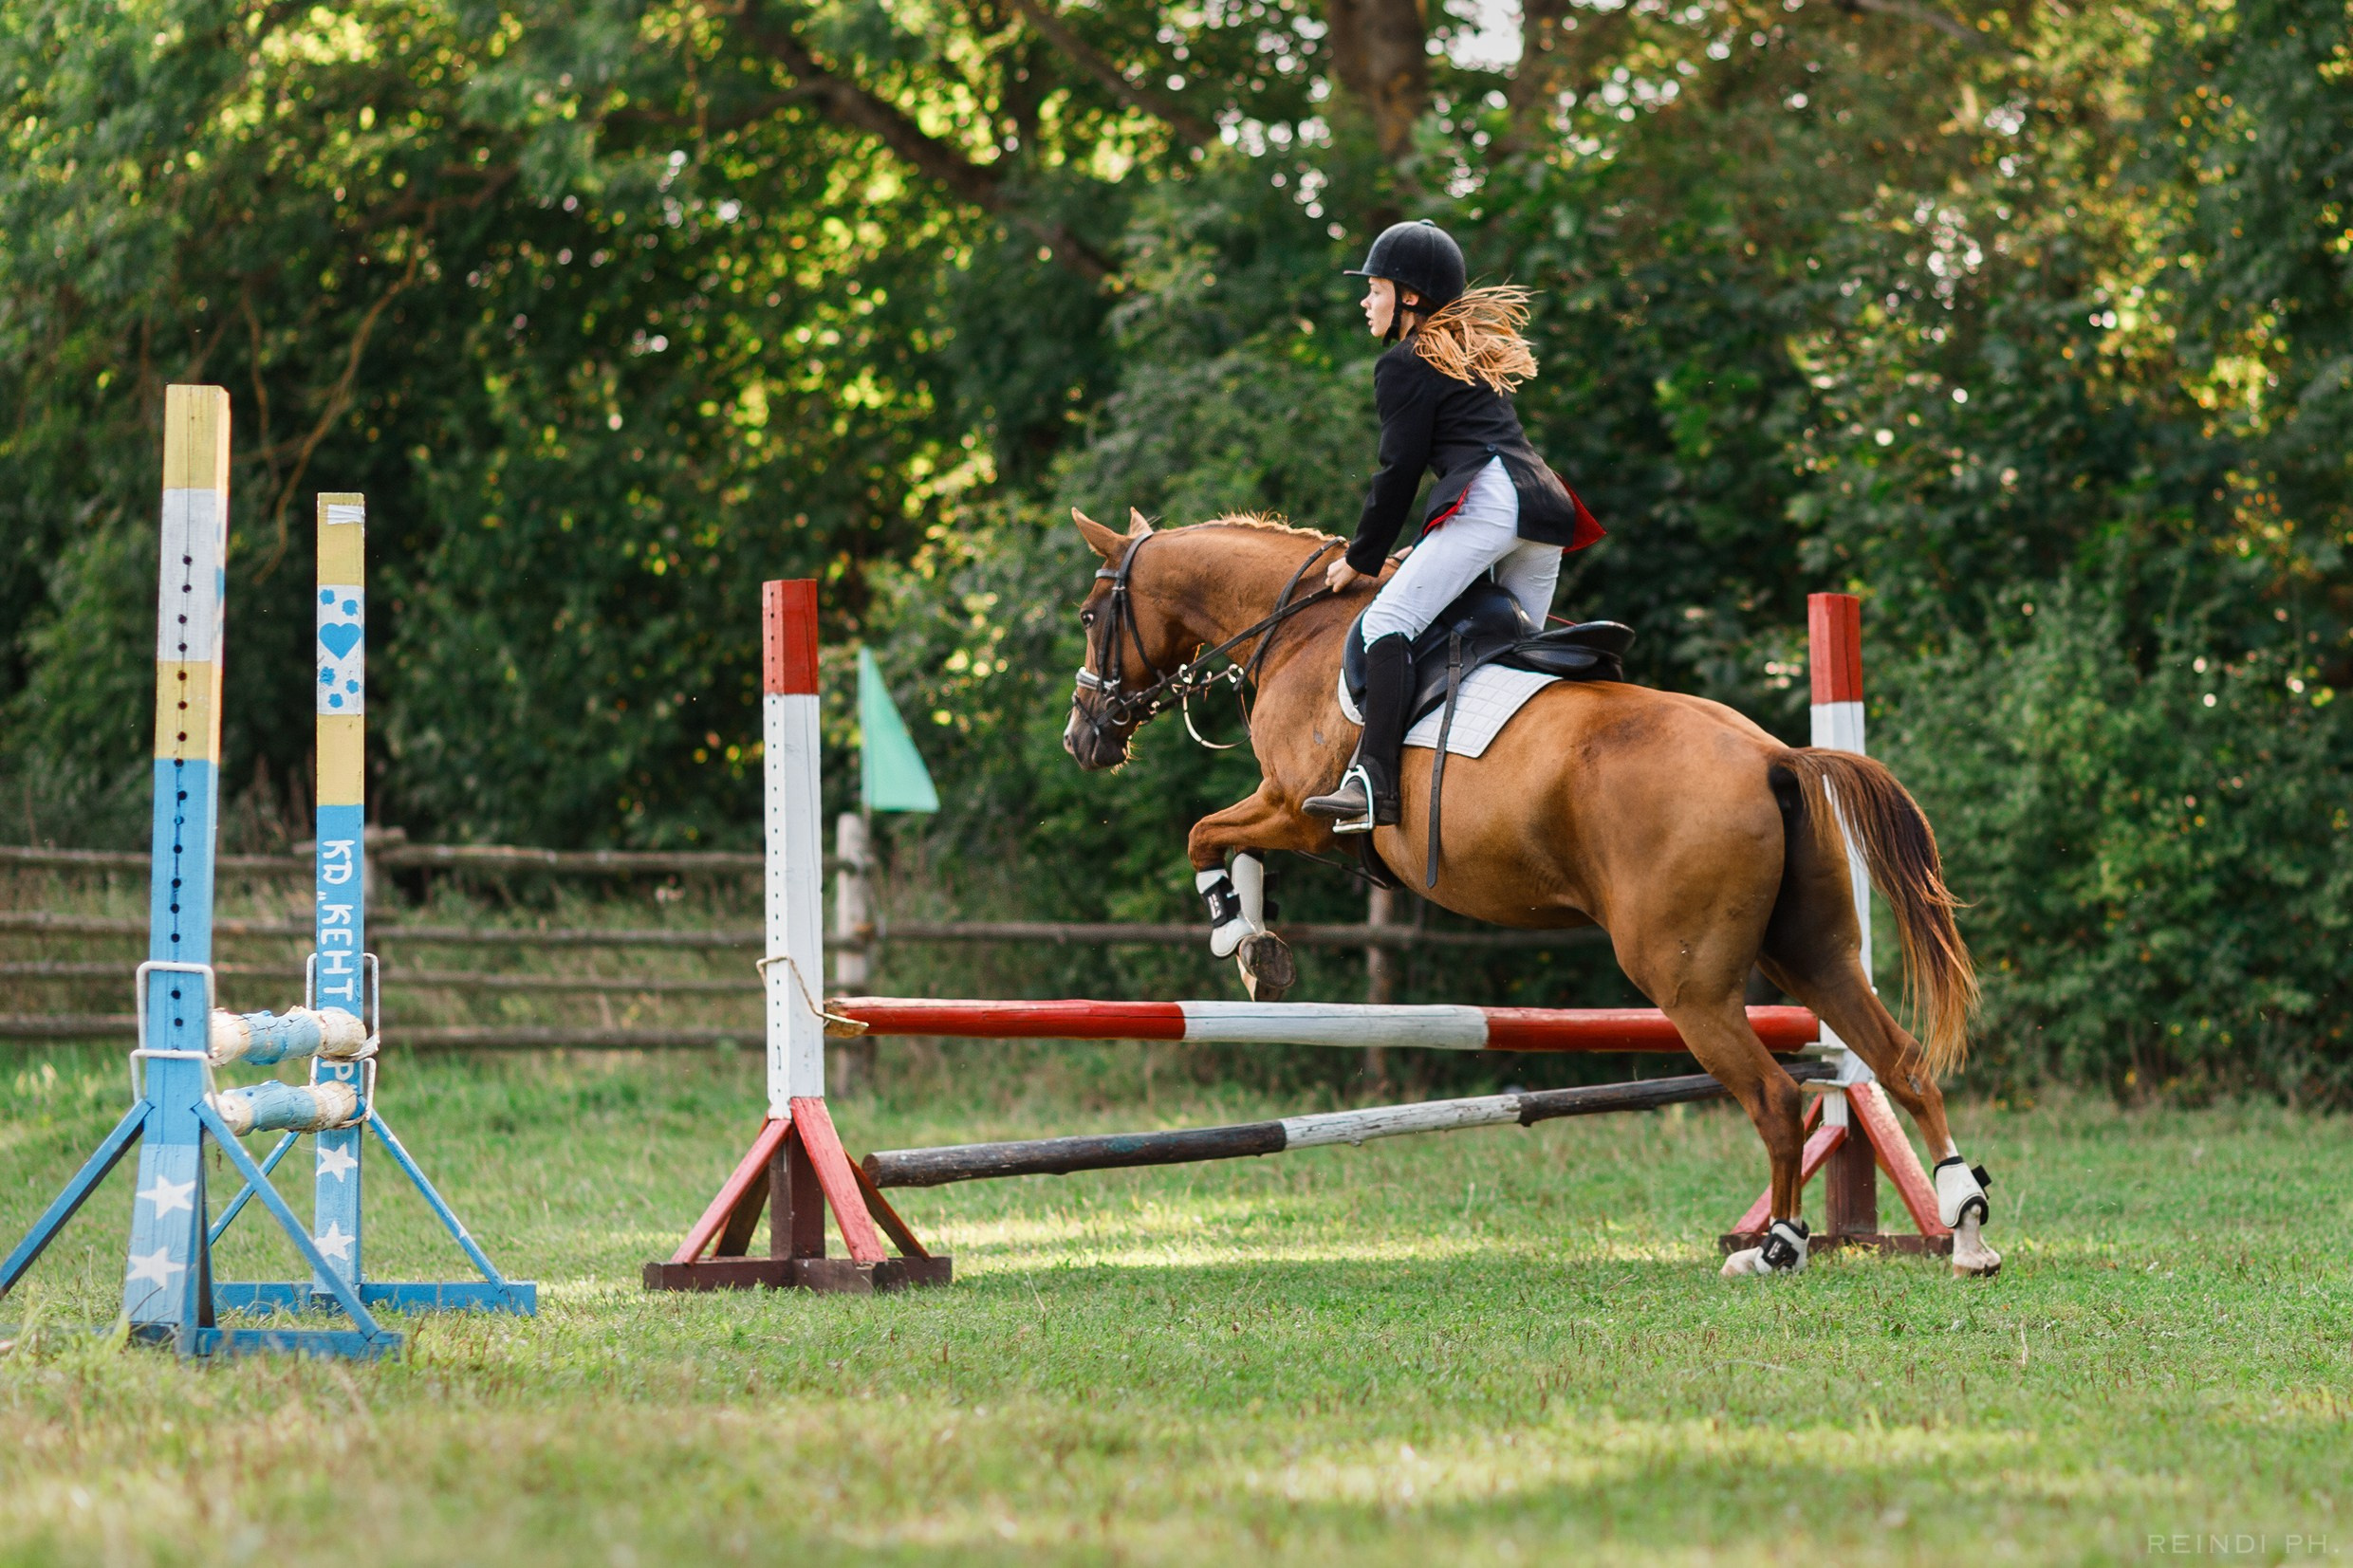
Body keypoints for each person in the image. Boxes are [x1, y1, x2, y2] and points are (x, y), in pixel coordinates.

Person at [1303, 220, 1604, 833]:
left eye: (1376, 287)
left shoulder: (1404, 362)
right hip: (1542, 506)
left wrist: (1361, 558)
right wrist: (1437, 538)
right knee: (1507, 651)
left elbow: (1398, 472)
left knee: (1388, 620)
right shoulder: (1461, 355)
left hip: (1492, 502)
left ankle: (1373, 783)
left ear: (1409, 296)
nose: (1366, 299)